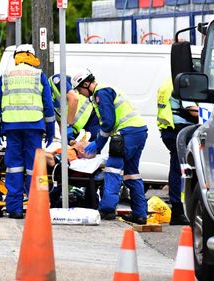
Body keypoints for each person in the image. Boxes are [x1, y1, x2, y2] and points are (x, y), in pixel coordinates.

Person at [72, 69, 148, 225]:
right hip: (138, 130)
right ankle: (140, 214)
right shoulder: (105, 90)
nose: (80, 94)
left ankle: (107, 210)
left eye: (80, 89)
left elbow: (108, 122)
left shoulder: (101, 92)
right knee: (131, 173)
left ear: (86, 84)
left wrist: (97, 145)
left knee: (113, 169)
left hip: (126, 133)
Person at [0, 44, 55, 219]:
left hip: (11, 127)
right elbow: (48, 106)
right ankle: (36, 207)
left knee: (14, 167)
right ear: (32, 57)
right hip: (34, 127)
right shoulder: (38, 75)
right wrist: (50, 131)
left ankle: (15, 209)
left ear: (16, 57)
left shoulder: (5, 76)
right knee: (34, 168)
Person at [157, 76, 198, 225]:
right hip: (180, 131)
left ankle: (178, 210)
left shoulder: (169, 81)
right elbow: (193, 111)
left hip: (170, 130)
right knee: (181, 170)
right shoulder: (185, 83)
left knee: (177, 169)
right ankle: (179, 211)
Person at [48, 74, 100, 142]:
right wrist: (66, 138)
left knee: (89, 149)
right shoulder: (49, 103)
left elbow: (74, 98)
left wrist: (68, 125)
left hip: (90, 118)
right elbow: (60, 120)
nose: (80, 93)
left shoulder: (56, 80)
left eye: (79, 90)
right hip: (76, 129)